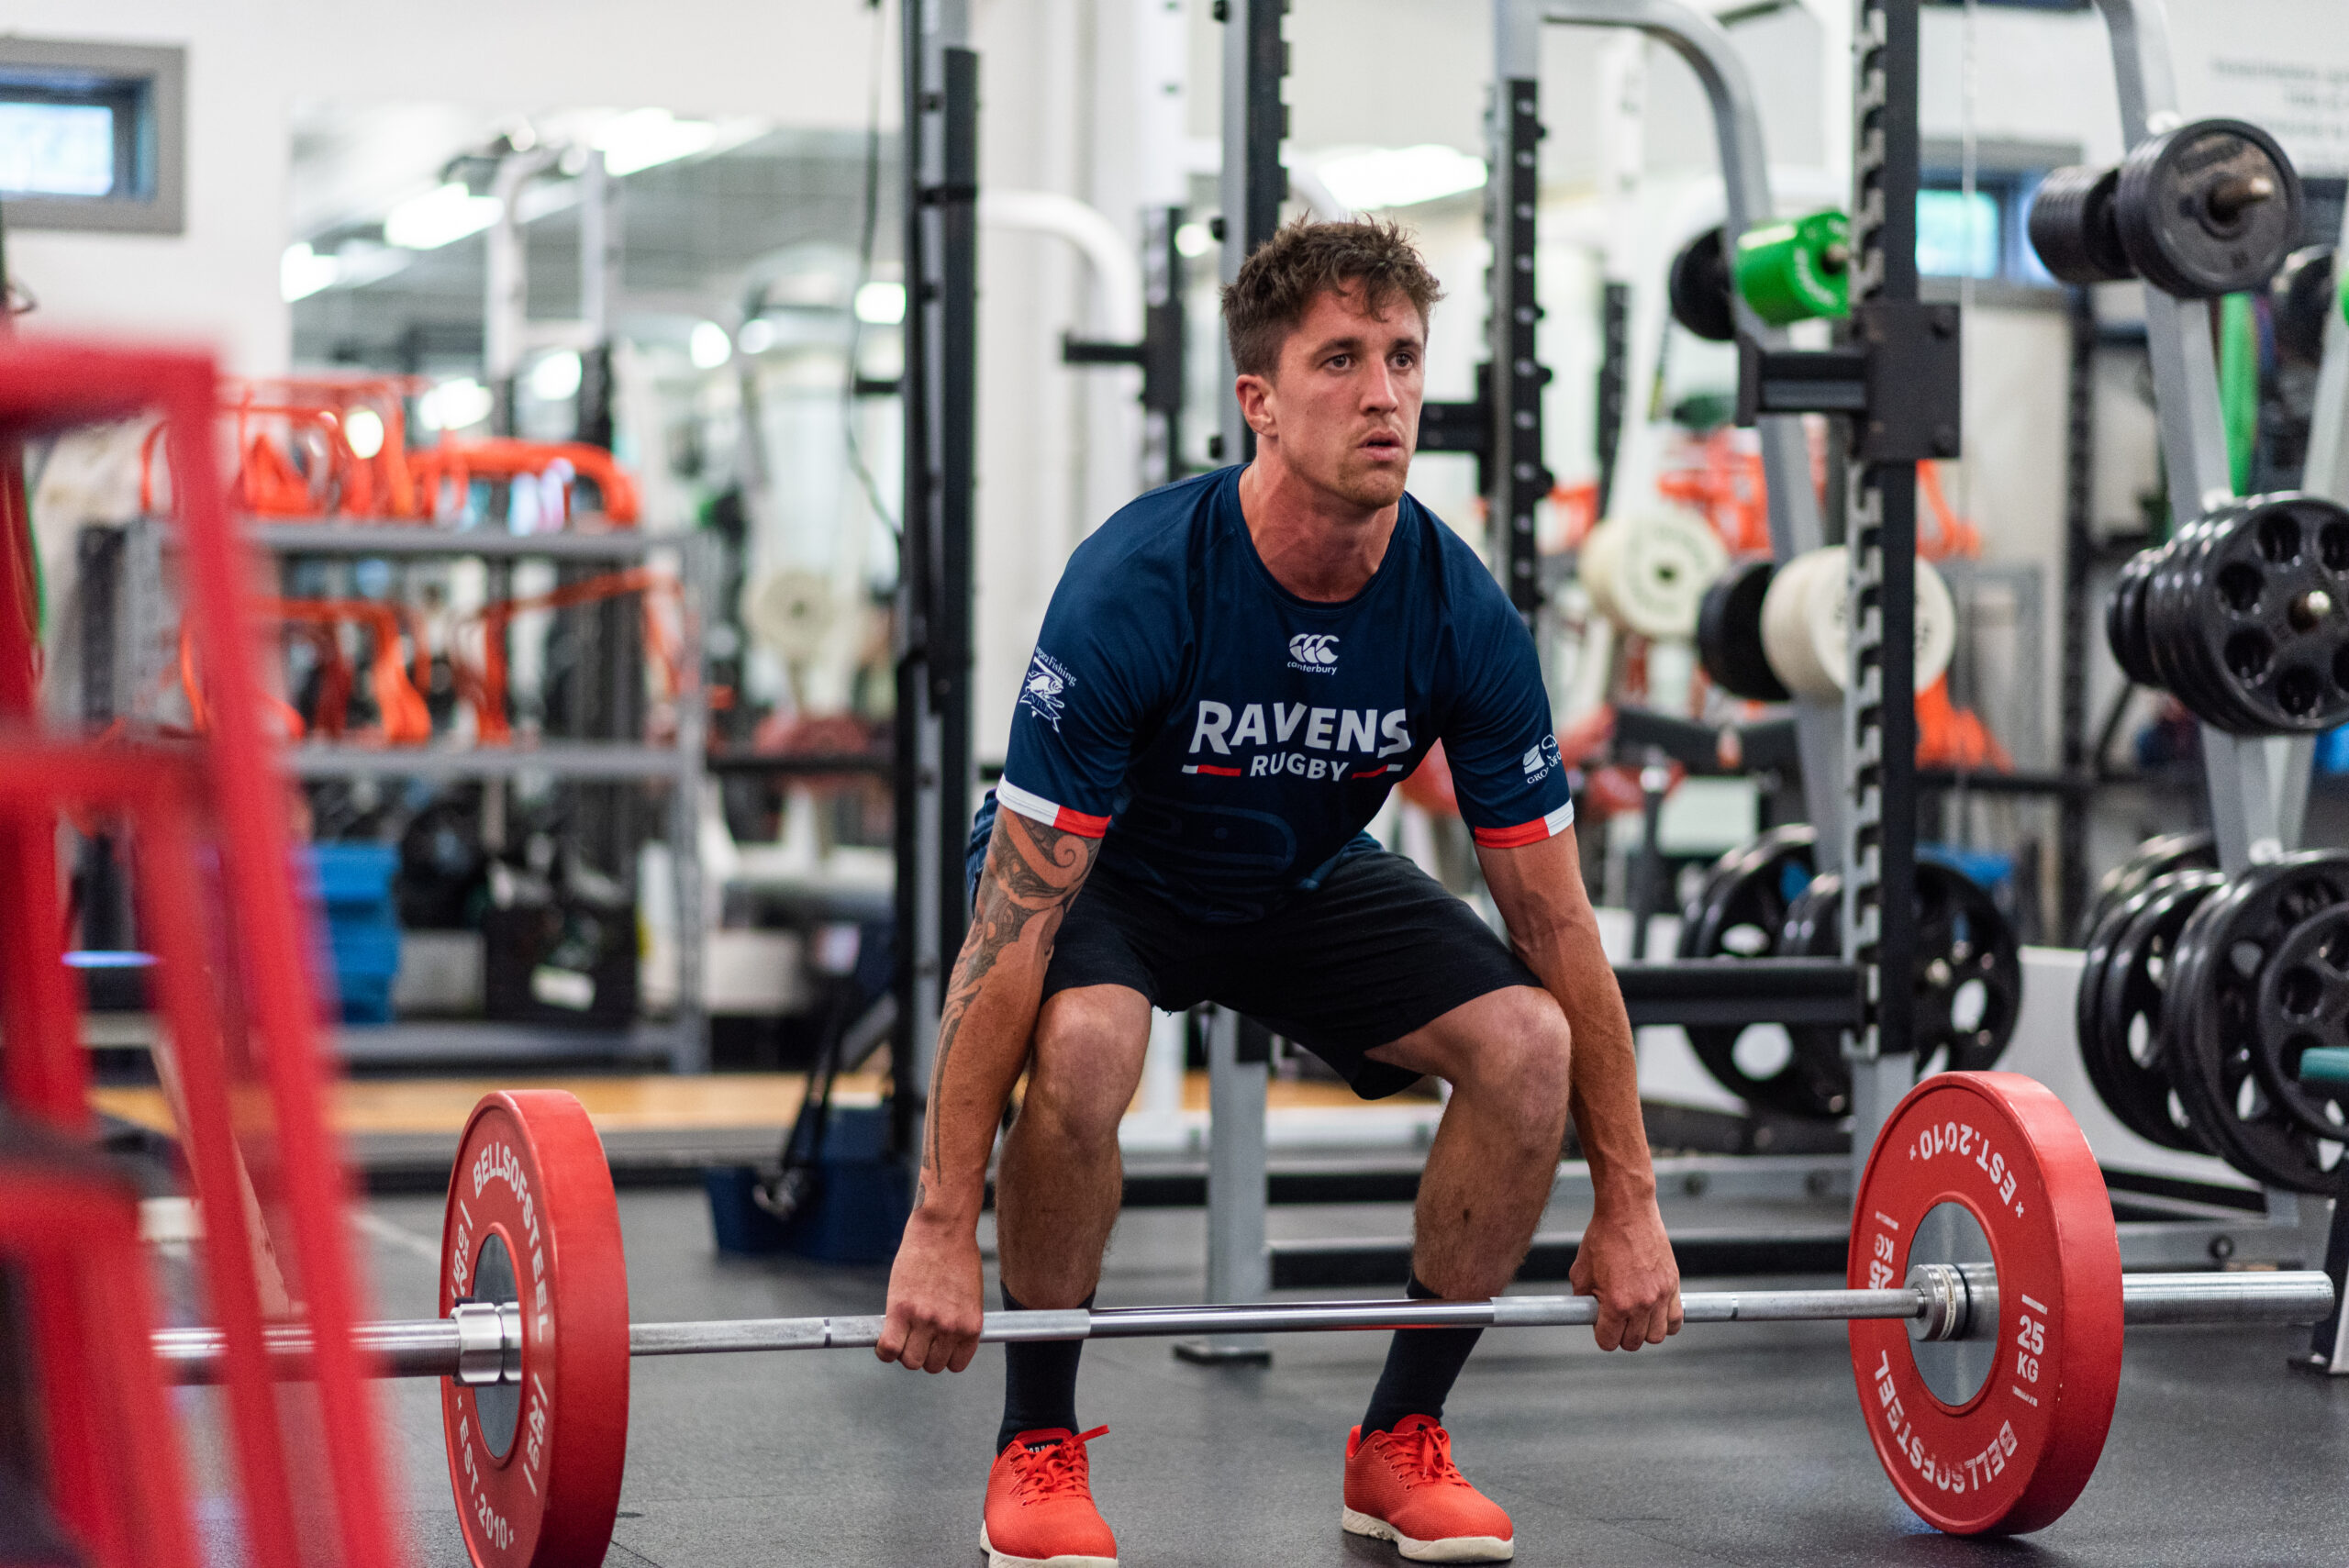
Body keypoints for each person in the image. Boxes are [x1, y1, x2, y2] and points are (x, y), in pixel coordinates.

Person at [876, 217, 1682, 1567]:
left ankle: (1397, 1441)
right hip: (1116, 874)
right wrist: (940, 1223)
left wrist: (1632, 1196)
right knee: (1084, 1043)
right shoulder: (1138, 583)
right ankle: (1039, 1441)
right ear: (1258, 397)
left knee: (1525, 1043)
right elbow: (1009, 928)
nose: (1385, 394)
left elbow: (1556, 922)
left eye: (1407, 358)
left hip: (1295, 877)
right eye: (1342, 359)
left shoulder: (1456, 610)